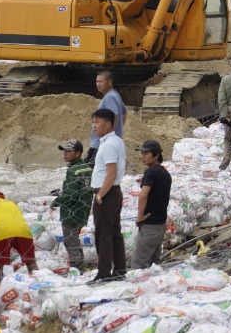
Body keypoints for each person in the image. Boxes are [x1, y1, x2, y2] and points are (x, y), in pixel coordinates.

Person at [89, 109, 128, 279]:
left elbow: (111, 173)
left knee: (103, 235)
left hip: (106, 193)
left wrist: (100, 195)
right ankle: (119, 270)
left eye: (97, 122)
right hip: (113, 192)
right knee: (114, 233)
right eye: (93, 122)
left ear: (108, 124)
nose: (94, 126)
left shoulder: (109, 144)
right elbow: (124, 166)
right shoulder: (117, 141)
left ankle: (103, 273)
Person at [131, 141, 171, 270]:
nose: (143, 156)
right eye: (142, 153)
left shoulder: (150, 173)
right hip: (160, 223)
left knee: (139, 265)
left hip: (150, 225)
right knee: (154, 264)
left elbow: (143, 195)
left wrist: (140, 216)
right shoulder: (165, 173)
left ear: (156, 155)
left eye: (146, 153)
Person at [53, 141, 93, 269]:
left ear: (78, 153)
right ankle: (80, 264)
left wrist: (56, 201)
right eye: (64, 151)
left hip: (71, 211)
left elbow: (71, 194)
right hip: (83, 210)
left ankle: (77, 268)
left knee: (70, 242)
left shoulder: (74, 170)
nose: (65, 154)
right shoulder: (86, 167)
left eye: (68, 151)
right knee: (75, 239)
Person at [91, 74, 127, 153]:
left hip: (100, 144)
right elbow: (124, 113)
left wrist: (107, 137)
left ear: (110, 82)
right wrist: (117, 129)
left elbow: (114, 115)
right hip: (111, 142)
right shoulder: (116, 95)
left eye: (101, 81)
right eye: (97, 81)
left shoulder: (109, 97)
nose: (98, 84)